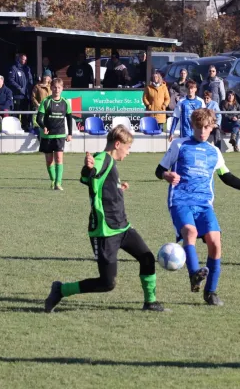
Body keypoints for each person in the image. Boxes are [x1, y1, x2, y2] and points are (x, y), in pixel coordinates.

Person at [155, 108, 240, 306]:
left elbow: (227, 178)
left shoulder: (214, 152)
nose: (202, 131)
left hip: (204, 204)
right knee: (190, 232)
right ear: (192, 126)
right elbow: (159, 170)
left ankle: (210, 292)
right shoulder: (179, 145)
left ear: (212, 128)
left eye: (206, 127)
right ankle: (194, 273)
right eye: (199, 127)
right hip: (181, 200)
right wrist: (166, 175)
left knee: (215, 242)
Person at [44, 126, 166, 313]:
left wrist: (118, 188)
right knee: (107, 283)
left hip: (123, 227)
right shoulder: (102, 159)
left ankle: (150, 302)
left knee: (147, 258)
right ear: (118, 144)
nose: (128, 152)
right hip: (105, 230)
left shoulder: (110, 162)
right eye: (128, 148)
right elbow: (88, 176)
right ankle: (61, 289)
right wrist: (88, 168)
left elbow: (102, 184)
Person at [36, 78, 73, 191]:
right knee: (49, 160)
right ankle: (53, 180)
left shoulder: (65, 102)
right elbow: (39, 118)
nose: (57, 90)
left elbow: (69, 118)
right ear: (51, 88)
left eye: (59, 88)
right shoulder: (46, 101)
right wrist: (44, 127)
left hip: (60, 135)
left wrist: (70, 133)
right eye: (55, 87)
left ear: (62, 89)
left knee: (59, 158)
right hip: (47, 136)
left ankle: (58, 183)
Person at [8, 53, 34, 131]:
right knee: (16, 112)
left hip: (26, 95)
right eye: (23, 59)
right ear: (19, 59)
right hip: (17, 95)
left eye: (25, 60)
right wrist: (19, 88)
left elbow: (30, 80)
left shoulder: (27, 69)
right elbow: (10, 80)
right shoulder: (14, 68)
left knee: (25, 112)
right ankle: (15, 127)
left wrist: (31, 88)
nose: (24, 61)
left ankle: (25, 127)